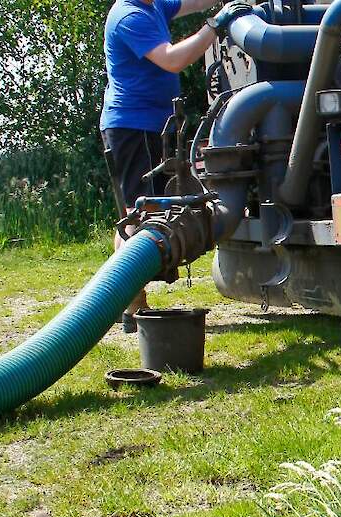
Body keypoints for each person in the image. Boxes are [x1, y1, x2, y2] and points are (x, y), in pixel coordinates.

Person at [100, 0, 246, 332]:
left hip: (154, 124)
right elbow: (173, 60)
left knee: (143, 211)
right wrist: (215, 25)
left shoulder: (154, 5)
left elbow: (190, 2)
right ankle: (130, 301)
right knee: (138, 214)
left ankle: (131, 300)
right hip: (132, 127)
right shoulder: (130, 15)